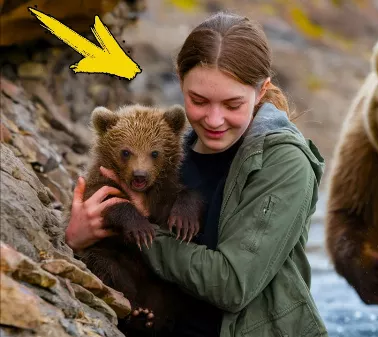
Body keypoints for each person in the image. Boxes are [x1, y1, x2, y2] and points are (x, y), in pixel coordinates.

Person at [64, 11, 329, 337]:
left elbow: (233, 286)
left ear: (261, 92)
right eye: (199, 100)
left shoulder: (285, 164)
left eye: (232, 105)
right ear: (180, 80)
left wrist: (144, 228)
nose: (214, 120)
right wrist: (77, 238)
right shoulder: (177, 151)